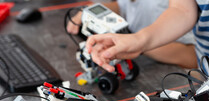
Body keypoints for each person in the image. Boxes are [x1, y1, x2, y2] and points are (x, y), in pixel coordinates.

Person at [66, 0, 198, 69]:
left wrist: (135, 41)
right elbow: (123, 6)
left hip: (176, 75)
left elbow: (191, 57)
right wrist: (92, 11)